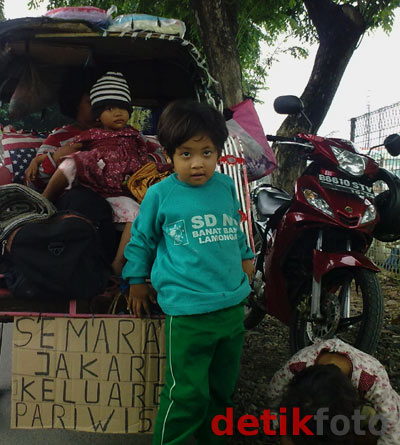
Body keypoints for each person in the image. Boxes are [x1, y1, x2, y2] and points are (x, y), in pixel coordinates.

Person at [122, 99, 255, 444]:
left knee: (222, 393)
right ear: (168, 154)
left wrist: (246, 257)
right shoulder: (160, 194)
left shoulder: (225, 187)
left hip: (231, 309)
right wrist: (136, 281)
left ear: (218, 152)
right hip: (188, 313)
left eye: (207, 152)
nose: (198, 163)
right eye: (186, 154)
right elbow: (141, 240)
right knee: (186, 395)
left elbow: (235, 229)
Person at [41, 71, 170, 274]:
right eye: (110, 108)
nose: (117, 114)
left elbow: (151, 155)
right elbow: (56, 161)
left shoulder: (135, 135)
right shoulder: (85, 136)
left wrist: (149, 166)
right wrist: (50, 158)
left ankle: (119, 262)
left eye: (122, 109)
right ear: (97, 113)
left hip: (122, 188)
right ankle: (43, 203)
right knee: (73, 162)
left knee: (137, 213)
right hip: (94, 183)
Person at [269, 338, 400, 444]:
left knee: (375, 421)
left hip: (361, 413)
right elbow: (273, 400)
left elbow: (392, 430)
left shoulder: (372, 378)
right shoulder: (295, 368)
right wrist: (278, 427)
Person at [24, 71, 96, 188]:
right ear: (76, 102)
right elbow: (33, 182)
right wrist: (56, 157)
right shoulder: (59, 138)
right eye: (91, 102)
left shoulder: (121, 136)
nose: (97, 108)